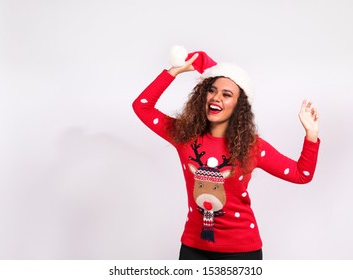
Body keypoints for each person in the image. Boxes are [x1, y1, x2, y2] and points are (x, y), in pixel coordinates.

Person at [132, 46, 320, 260]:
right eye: (212, 90)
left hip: (242, 252)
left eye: (226, 94)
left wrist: (311, 136)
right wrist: (173, 71)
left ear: (239, 105)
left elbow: (301, 174)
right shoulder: (185, 136)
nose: (216, 98)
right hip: (193, 248)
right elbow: (142, 106)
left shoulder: (252, 146)